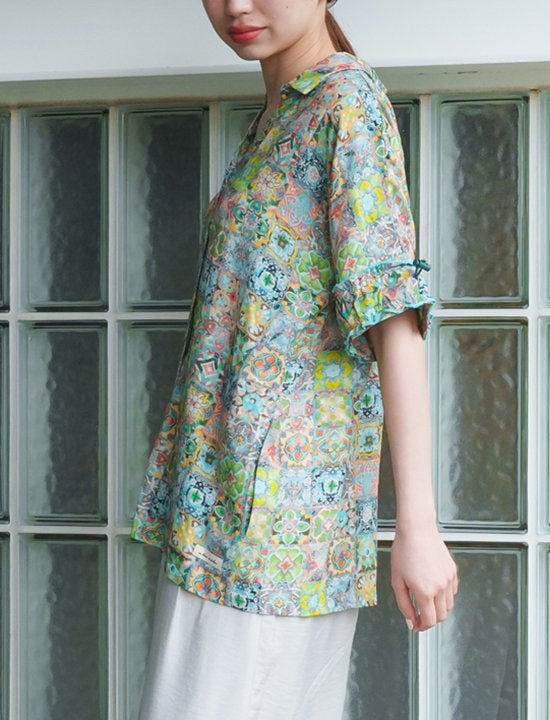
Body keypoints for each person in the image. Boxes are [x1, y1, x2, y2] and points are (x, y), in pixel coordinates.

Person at [131, 1, 458, 718]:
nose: (236, 6)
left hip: (279, 529)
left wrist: (417, 525)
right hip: (218, 511)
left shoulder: (346, 103)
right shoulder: (281, 113)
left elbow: (392, 316)